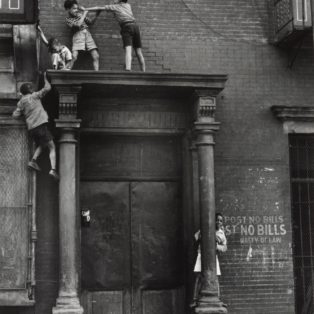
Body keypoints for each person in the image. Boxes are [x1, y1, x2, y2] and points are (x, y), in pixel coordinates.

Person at [12, 73, 59, 180]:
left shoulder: (21, 102)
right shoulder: (35, 96)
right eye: (31, 88)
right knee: (52, 147)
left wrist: (22, 101)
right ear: (29, 90)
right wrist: (45, 78)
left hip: (32, 129)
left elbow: (15, 116)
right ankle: (53, 170)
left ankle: (33, 161)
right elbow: (48, 88)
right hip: (41, 126)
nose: (33, 90)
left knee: (43, 144)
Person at [85, 0, 146, 72]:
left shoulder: (115, 7)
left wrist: (85, 9)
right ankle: (143, 71)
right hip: (135, 26)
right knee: (138, 51)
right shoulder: (127, 5)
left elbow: (99, 7)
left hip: (126, 27)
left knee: (128, 50)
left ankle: (128, 69)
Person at [190, 213, 227, 308]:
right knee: (198, 277)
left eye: (220, 220)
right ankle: (194, 299)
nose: (218, 222)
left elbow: (225, 247)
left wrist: (217, 246)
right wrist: (202, 234)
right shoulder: (205, 229)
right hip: (201, 255)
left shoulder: (221, 233)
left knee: (216, 279)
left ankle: (218, 298)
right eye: (217, 220)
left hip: (213, 258)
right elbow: (195, 237)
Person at [64, 0, 101, 70]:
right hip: (78, 35)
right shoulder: (68, 19)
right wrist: (84, 13)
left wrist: (97, 14)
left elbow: (90, 22)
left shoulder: (80, 15)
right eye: (74, 8)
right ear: (68, 9)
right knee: (74, 57)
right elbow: (78, 25)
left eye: (77, 8)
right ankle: (66, 71)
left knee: (96, 56)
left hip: (87, 34)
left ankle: (96, 76)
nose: (76, 10)